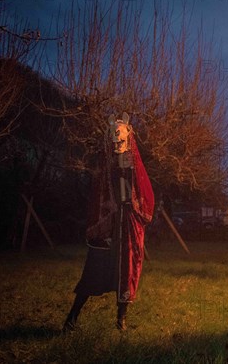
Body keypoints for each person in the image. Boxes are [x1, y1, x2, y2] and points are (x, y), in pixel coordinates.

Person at [63, 113, 154, 332]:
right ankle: (71, 318)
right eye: (115, 137)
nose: (118, 140)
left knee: (126, 271)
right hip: (108, 225)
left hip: (128, 226)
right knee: (94, 270)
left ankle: (121, 319)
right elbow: (100, 195)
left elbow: (144, 193)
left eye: (122, 135)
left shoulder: (133, 163)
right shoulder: (105, 164)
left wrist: (129, 178)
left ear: (129, 136)